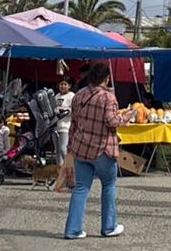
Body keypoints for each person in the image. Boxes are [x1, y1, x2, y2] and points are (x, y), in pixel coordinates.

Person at [63, 61, 128, 240]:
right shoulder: (108, 97)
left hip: (81, 148)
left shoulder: (78, 95)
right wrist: (126, 117)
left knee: (81, 188)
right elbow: (112, 121)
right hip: (102, 149)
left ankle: (73, 230)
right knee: (108, 185)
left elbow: (73, 124)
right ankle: (109, 227)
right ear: (106, 79)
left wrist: (70, 146)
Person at [53, 77, 74, 160]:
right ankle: (59, 170)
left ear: (70, 86)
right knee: (57, 150)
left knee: (63, 149)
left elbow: (75, 110)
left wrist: (65, 110)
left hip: (65, 126)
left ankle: (68, 167)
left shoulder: (72, 96)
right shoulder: (57, 96)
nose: (63, 86)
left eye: (65, 84)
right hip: (55, 126)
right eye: (61, 84)